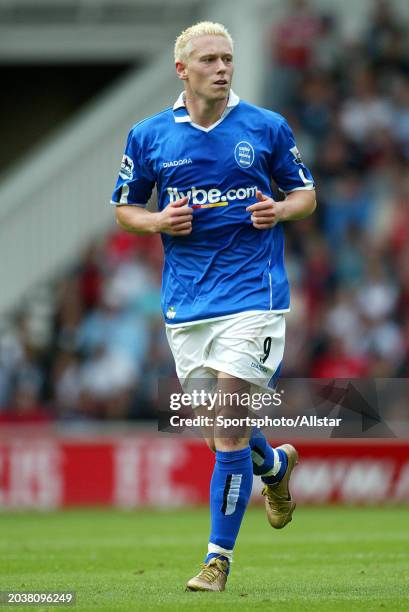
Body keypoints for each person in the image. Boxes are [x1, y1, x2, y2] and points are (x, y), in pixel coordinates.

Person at [111, 21, 316, 592]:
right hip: (187, 306)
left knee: (227, 430)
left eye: (227, 58)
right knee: (219, 433)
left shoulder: (266, 127)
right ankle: (274, 467)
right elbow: (126, 208)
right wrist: (156, 221)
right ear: (183, 70)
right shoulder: (149, 136)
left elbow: (306, 194)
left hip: (255, 297)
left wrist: (279, 210)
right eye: (209, 60)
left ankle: (217, 561)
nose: (222, 68)